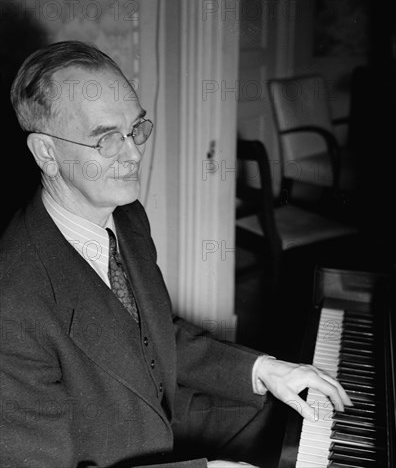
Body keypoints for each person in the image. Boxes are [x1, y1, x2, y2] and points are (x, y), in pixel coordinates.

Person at [0, 41, 351, 468]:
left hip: (164, 418)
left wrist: (262, 369)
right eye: (107, 139)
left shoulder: (127, 217)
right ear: (47, 153)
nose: (133, 153)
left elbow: (154, 332)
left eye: (136, 129)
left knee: (293, 415)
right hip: (111, 455)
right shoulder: (12, 301)